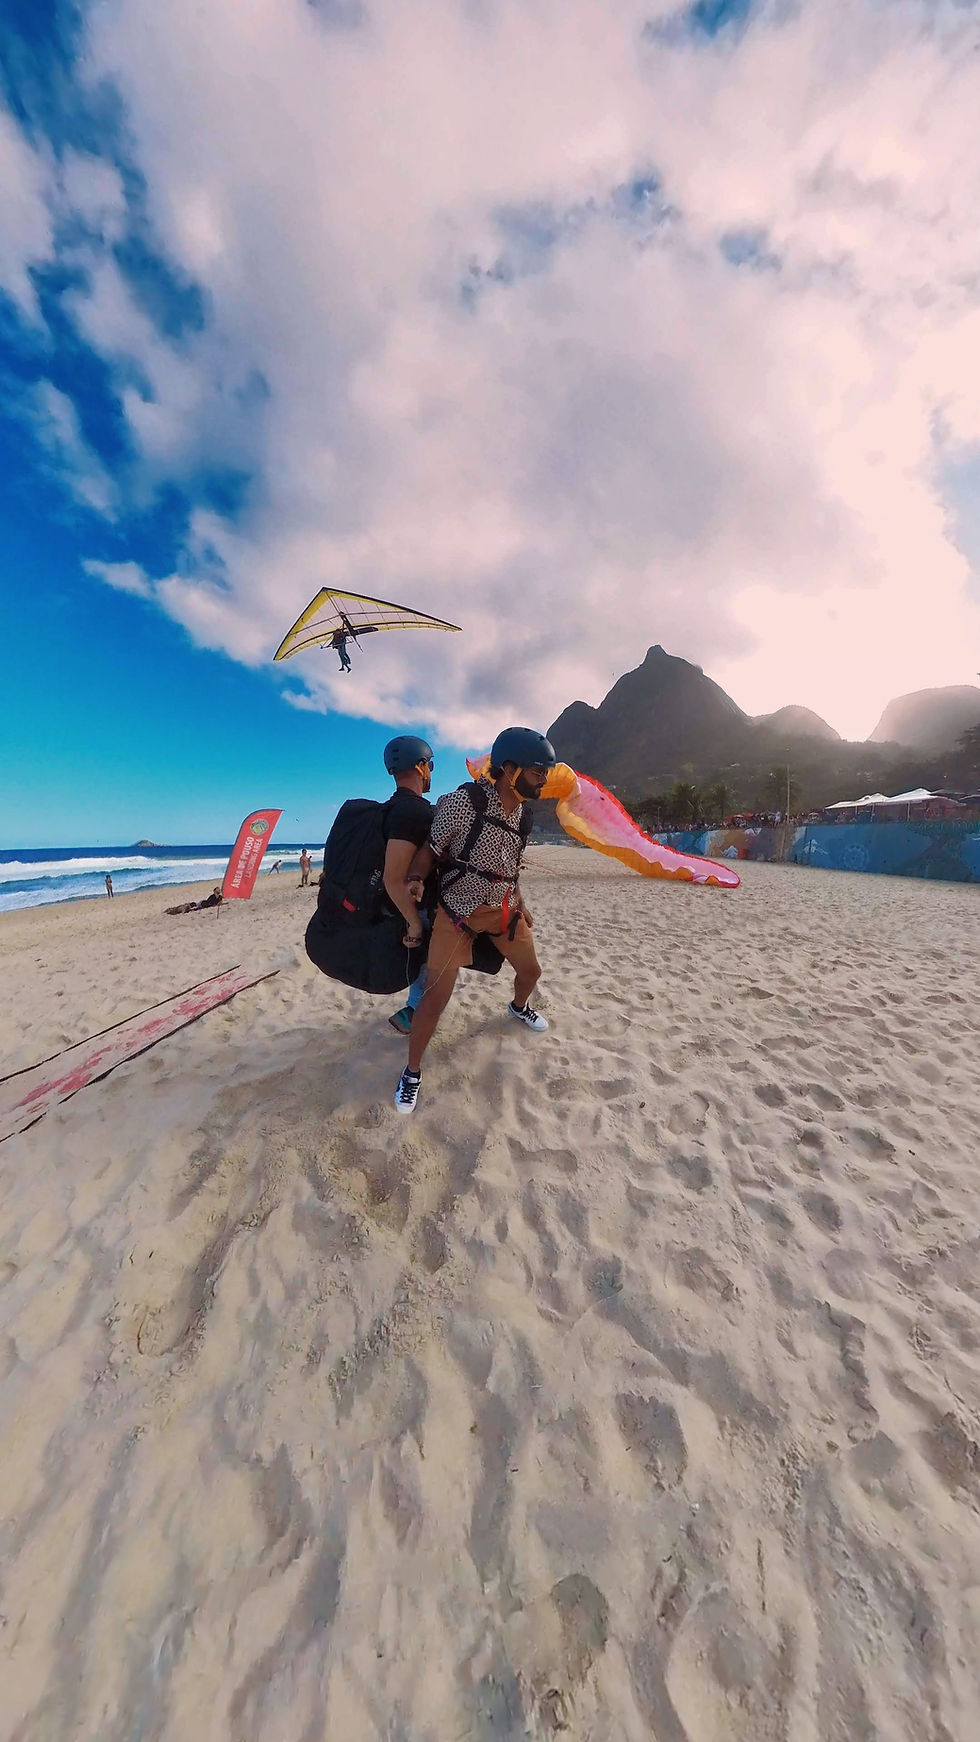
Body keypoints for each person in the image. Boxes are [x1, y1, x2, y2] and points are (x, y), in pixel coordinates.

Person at [392, 726, 555, 1115]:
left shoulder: (524, 818)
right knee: (434, 1000)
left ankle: (517, 1007)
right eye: (537, 772)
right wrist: (414, 879)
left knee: (532, 973)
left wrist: (521, 902)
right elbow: (432, 850)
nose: (544, 780)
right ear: (510, 769)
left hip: (503, 911)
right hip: (457, 913)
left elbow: (510, 869)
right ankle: (411, 1072)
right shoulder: (463, 802)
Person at [304, 735, 435, 996]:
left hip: (361, 909)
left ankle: (415, 1008)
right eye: (430, 765)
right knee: (429, 958)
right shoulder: (413, 812)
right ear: (421, 766)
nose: (430, 771)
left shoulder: (386, 810)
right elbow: (392, 879)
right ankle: (415, 1010)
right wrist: (414, 924)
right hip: (398, 908)